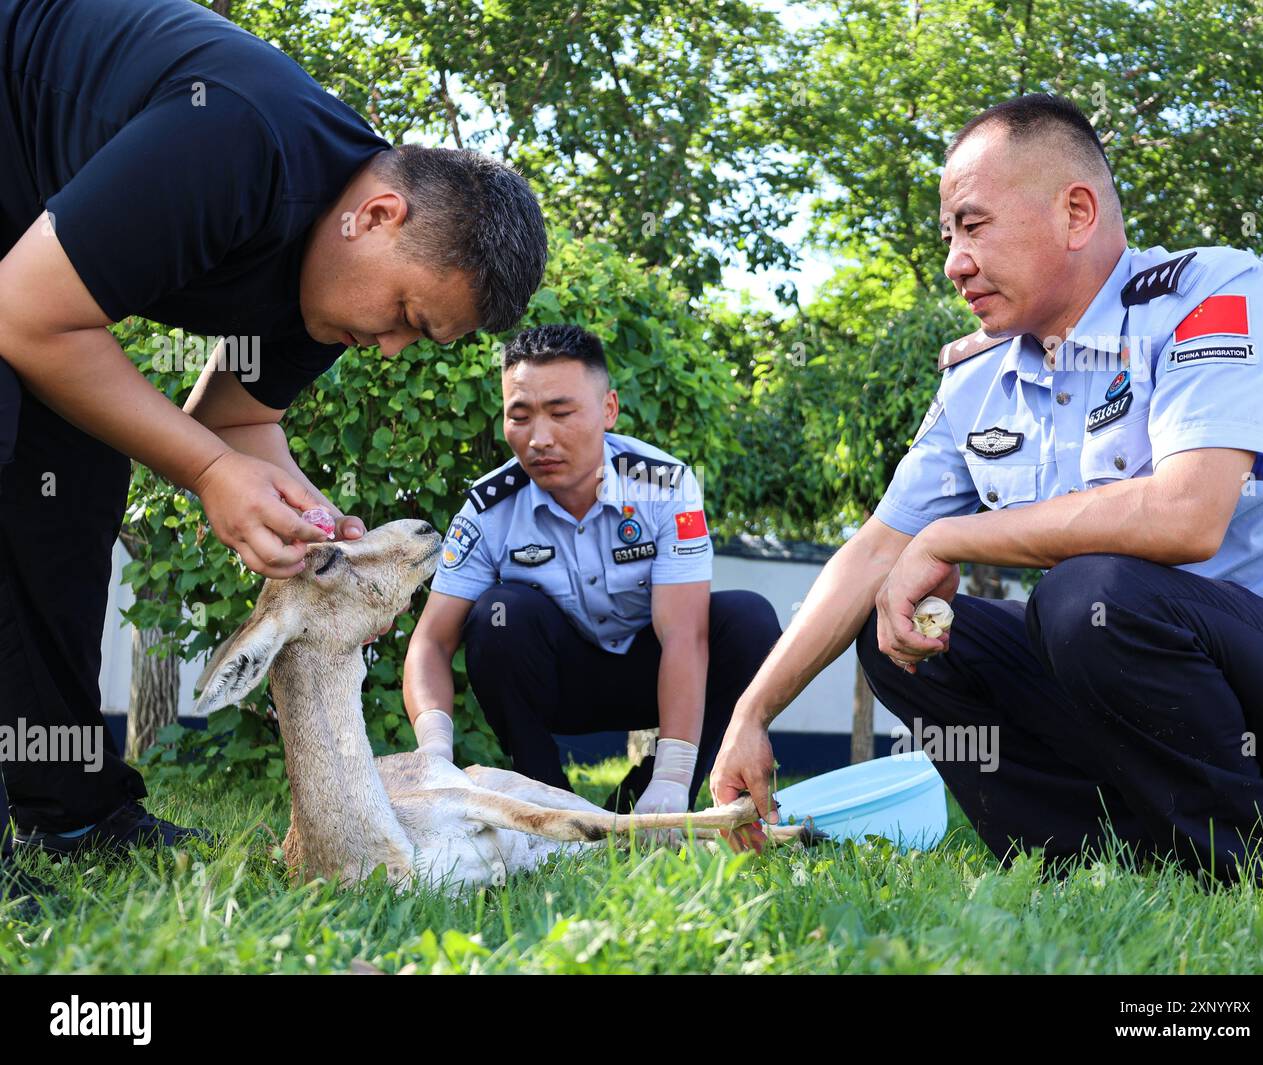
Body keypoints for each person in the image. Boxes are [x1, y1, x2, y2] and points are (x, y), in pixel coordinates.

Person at [0, 0, 547, 884]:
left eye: (423, 339)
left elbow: (234, 419)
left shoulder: (329, 291)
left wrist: (306, 516)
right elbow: (23, 314)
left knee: (72, 480)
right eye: (407, 315)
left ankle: (70, 817)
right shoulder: (240, 142)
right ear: (377, 214)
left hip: (23, 236)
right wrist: (212, 473)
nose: (393, 346)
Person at [710, 93, 1263, 885]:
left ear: (1077, 213)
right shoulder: (979, 377)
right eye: (950, 236)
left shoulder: (1209, 292)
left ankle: (1256, 862)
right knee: (905, 627)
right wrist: (752, 715)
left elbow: (1185, 516)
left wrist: (952, 536)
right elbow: (878, 547)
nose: (954, 261)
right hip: (1135, 697)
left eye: (974, 225)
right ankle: (1093, 861)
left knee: (1089, 593)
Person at [404, 324, 783, 814]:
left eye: (561, 413)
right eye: (519, 416)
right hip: (562, 682)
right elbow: (431, 641)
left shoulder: (665, 487)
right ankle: (544, 800)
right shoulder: (490, 509)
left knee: (749, 621)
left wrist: (670, 776)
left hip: (653, 674)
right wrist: (433, 752)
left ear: (609, 410)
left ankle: (655, 796)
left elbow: (685, 635)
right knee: (498, 613)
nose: (539, 439)